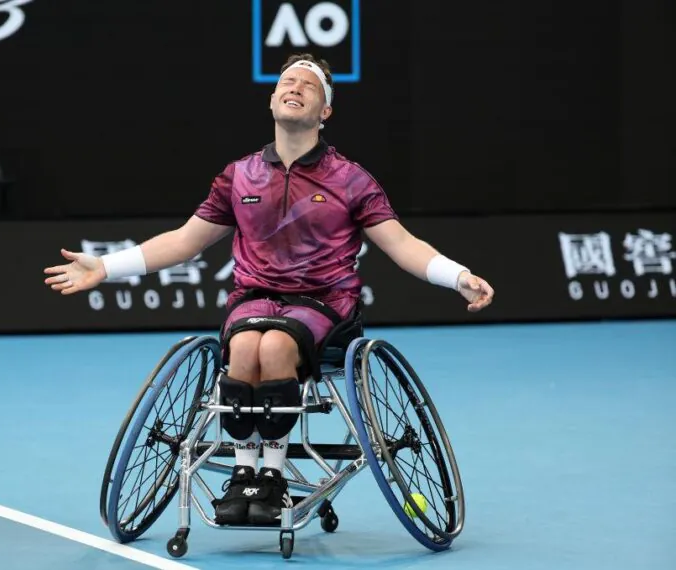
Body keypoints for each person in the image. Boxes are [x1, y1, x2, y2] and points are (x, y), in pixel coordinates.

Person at [43, 53, 494, 527]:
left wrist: (458, 275)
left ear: (325, 112)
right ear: (272, 99)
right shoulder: (239, 175)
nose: (294, 87)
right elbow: (183, 242)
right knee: (243, 345)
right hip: (253, 299)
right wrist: (105, 267)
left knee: (276, 344)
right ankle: (243, 474)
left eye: (308, 85)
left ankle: (272, 477)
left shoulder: (351, 180)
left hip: (325, 303)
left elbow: (402, 245)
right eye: (286, 82)